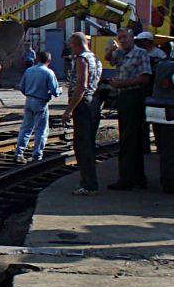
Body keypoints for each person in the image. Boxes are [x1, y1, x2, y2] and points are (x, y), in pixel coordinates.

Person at [107, 28, 152, 190]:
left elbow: (145, 78)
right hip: (123, 97)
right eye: (120, 38)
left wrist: (122, 84)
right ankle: (138, 178)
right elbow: (109, 60)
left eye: (125, 37)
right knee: (130, 137)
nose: (123, 40)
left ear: (132, 38)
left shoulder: (141, 54)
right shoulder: (120, 53)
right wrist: (110, 49)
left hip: (134, 96)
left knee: (130, 138)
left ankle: (127, 179)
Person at [61, 31, 102, 196]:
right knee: (89, 144)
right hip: (92, 103)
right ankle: (89, 182)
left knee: (82, 146)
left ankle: (89, 185)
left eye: (71, 46)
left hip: (82, 105)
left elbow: (81, 86)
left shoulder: (82, 59)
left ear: (75, 44)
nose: (71, 50)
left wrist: (68, 110)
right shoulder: (95, 58)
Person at [14, 51, 61, 163]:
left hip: (29, 100)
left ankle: (19, 153)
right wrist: (59, 91)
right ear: (49, 61)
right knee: (41, 129)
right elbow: (55, 91)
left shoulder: (29, 70)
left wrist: (29, 93)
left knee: (26, 128)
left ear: (37, 59)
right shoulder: (49, 73)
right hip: (41, 102)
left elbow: (22, 87)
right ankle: (37, 155)